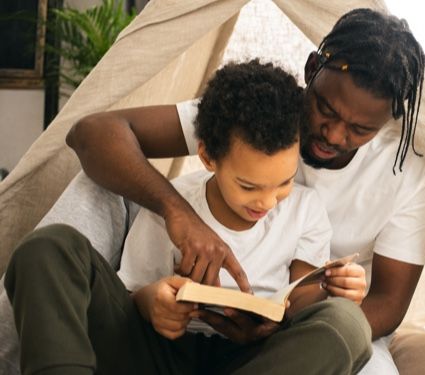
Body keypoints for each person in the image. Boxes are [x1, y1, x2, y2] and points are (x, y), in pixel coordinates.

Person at [67, 8, 425, 374]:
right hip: (188, 321)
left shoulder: (411, 174)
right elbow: (92, 133)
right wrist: (177, 212)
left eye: (360, 130)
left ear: (388, 120)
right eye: (324, 109)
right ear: (312, 71)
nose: (333, 134)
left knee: (356, 344)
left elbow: (389, 304)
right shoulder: (257, 111)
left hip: (307, 325)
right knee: (93, 183)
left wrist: (281, 331)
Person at [5, 61, 372, 375]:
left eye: (284, 182)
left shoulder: (306, 211)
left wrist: (331, 288)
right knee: (46, 247)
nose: (267, 201)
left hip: (250, 362)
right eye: (248, 186)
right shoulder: (171, 204)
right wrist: (156, 305)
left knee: (348, 322)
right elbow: (133, 295)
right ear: (208, 157)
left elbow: (299, 302)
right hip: (159, 353)